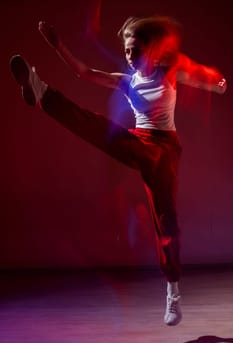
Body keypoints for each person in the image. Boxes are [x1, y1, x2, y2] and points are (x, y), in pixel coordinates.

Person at [9, 16, 227, 326]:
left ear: (151, 50)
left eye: (135, 50)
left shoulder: (169, 71)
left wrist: (216, 83)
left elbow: (198, 76)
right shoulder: (127, 80)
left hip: (164, 152)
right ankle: (42, 93)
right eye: (126, 51)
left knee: (166, 222)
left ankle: (173, 292)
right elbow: (84, 73)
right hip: (139, 141)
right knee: (100, 128)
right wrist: (58, 46)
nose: (129, 57)